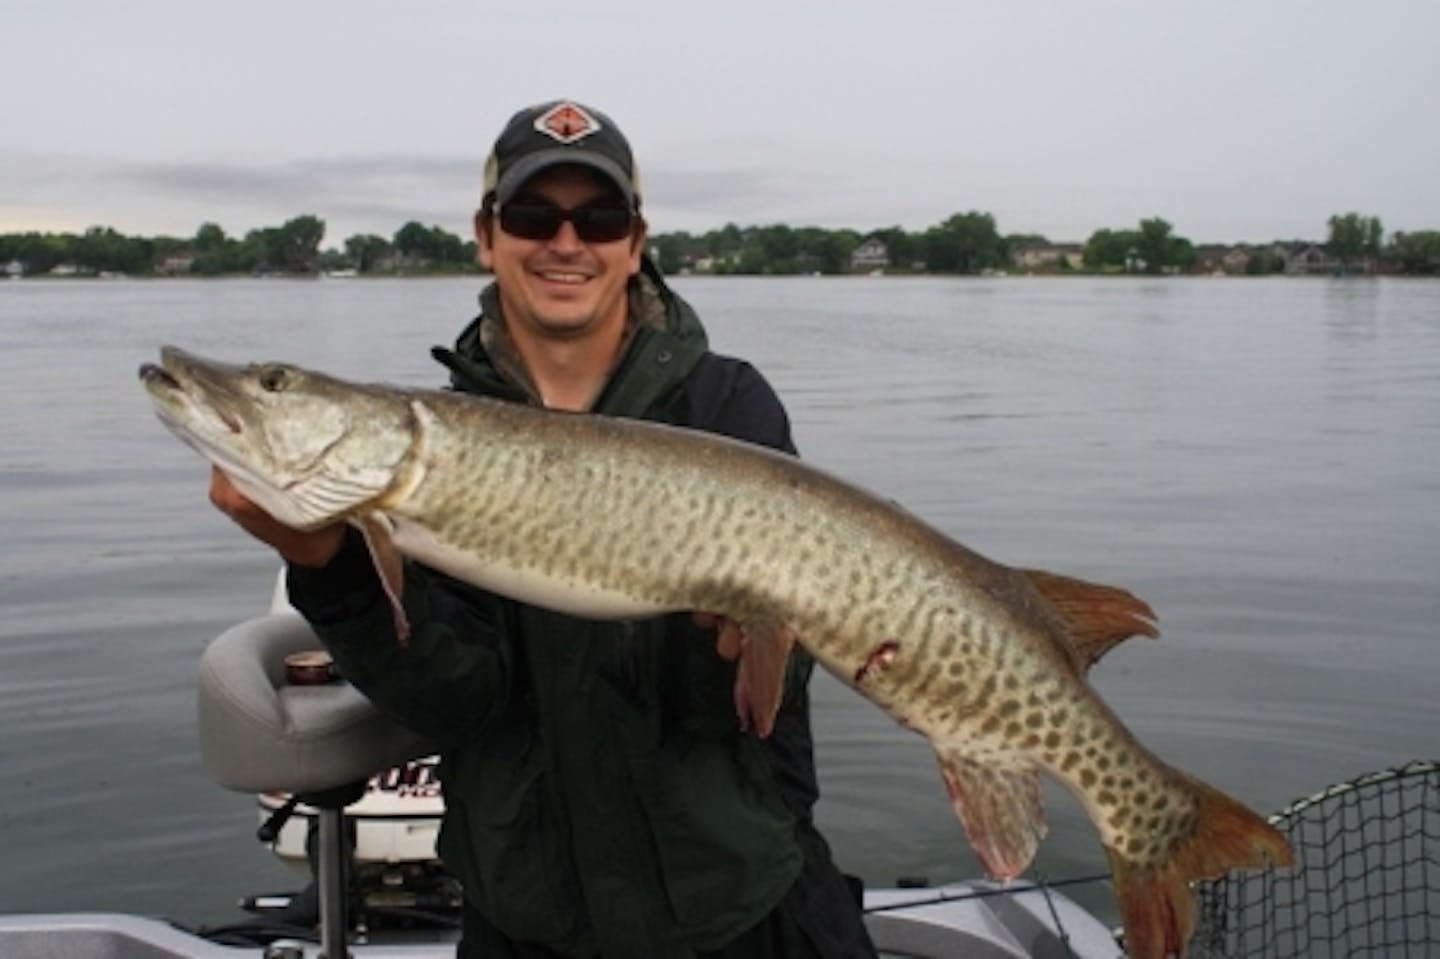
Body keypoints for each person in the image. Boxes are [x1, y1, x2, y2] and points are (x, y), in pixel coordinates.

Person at [209, 99, 878, 959]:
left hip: (738, 909)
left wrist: (729, 644)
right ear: (487, 236)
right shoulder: (440, 452)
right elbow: (458, 697)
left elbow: (743, 711)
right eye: (533, 214)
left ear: (634, 243)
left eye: (599, 218)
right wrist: (328, 564)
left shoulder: (725, 405)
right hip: (527, 924)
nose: (567, 242)